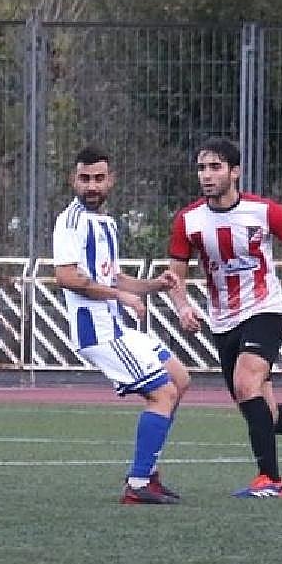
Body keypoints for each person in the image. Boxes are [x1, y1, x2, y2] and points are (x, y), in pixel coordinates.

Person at [167, 137, 282, 498]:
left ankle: (271, 480)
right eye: (201, 168)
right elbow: (174, 276)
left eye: (215, 167)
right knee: (263, 413)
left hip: (265, 311)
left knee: (246, 385)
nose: (207, 175)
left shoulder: (263, 211)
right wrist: (183, 307)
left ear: (235, 172)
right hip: (222, 321)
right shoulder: (188, 220)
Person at [52, 145, 191, 505]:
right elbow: (66, 277)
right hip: (95, 331)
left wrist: (154, 286)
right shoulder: (71, 222)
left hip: (115, 326)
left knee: (178, 379)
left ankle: (149, 472)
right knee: (163, 393)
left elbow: (113, 277)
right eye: (84, 178)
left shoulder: (106, 223)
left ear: (111, 180)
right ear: (73, 180)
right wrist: (120, 297)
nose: (92, 186)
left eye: (98, 178)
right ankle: (138, 483)